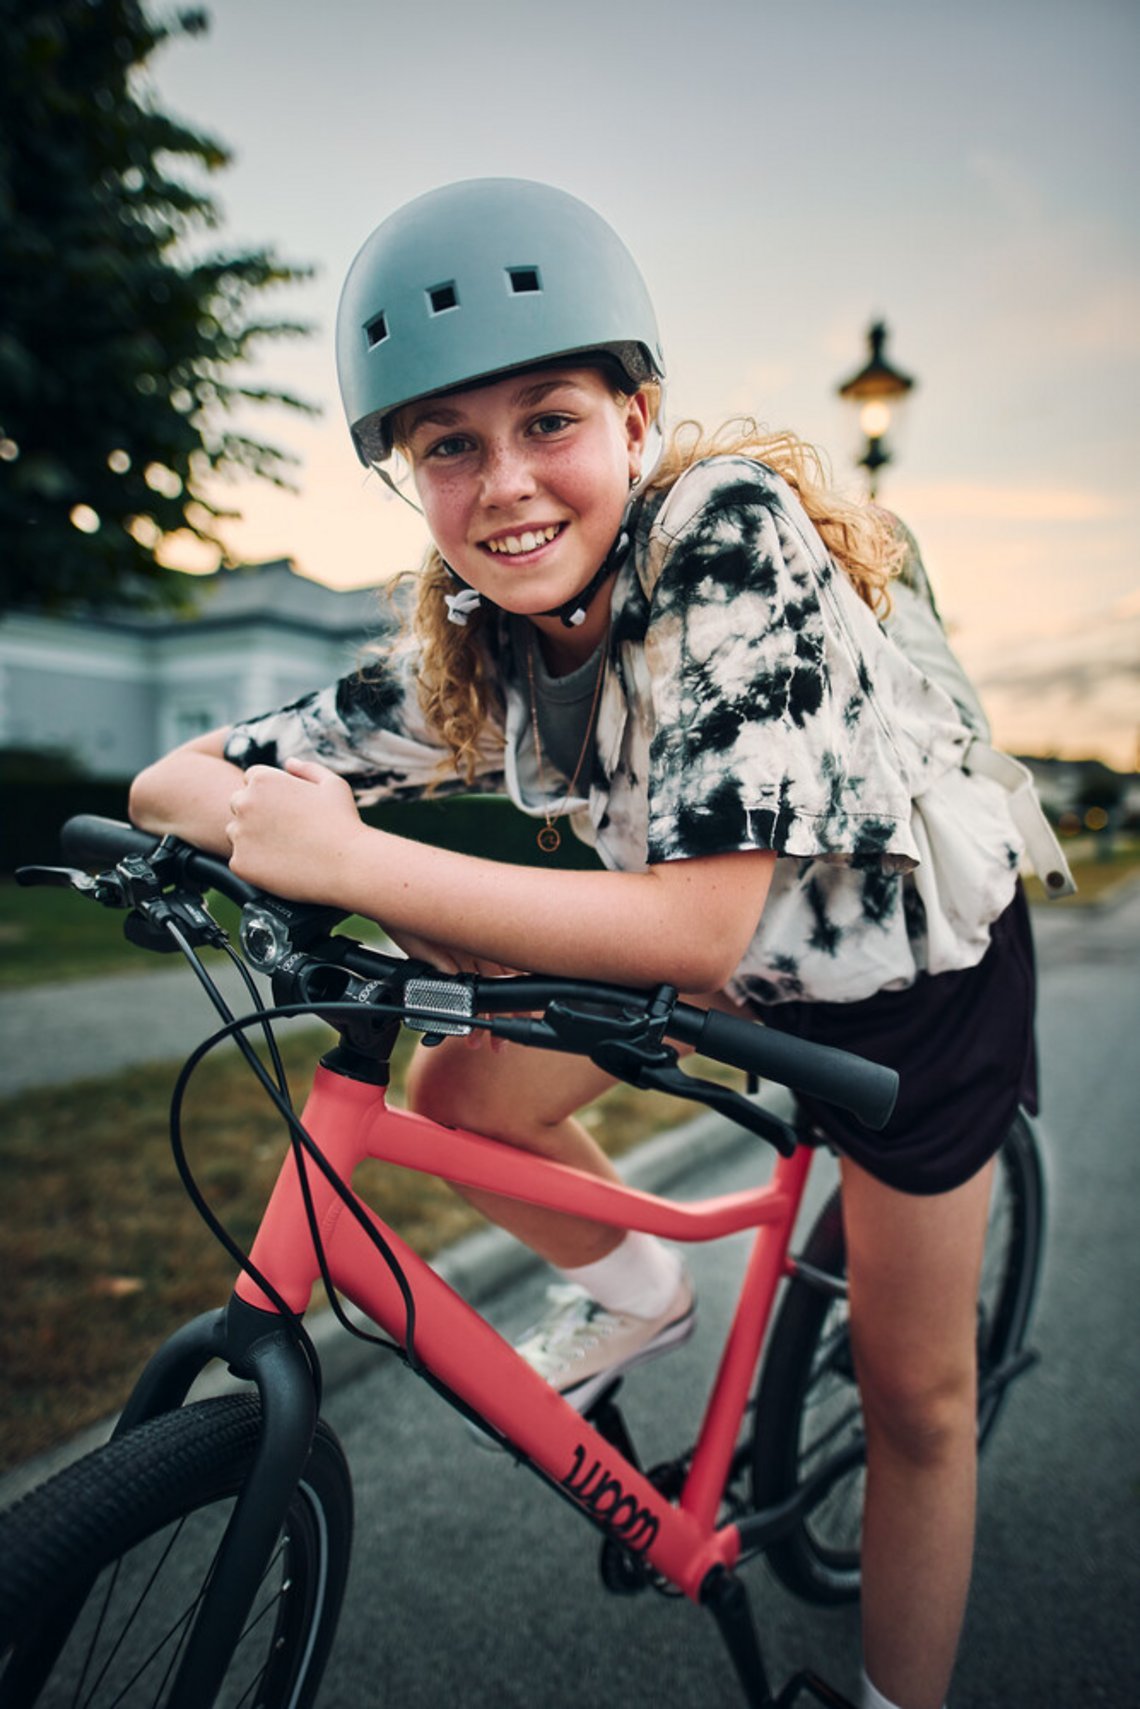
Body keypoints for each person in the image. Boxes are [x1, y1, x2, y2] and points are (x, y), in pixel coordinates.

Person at [130, 178, 1070, 1709]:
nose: (505, 484)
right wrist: (276, 834)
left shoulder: (727, 537)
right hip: (716, 963)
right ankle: (641, 1285)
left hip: (907, 991)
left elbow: (696, 909)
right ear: (404, 478)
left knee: (915, 1395)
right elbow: (180, 778)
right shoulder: (476, 636)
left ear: (637, 419)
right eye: (448, 444)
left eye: (547, 419)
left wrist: (356, 857)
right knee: (455, 1098)